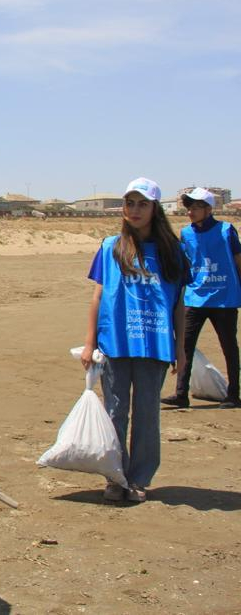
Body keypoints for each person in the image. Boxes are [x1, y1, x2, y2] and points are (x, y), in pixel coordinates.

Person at [81, 177, 188, 504]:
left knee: (147, 413)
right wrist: (89, 342)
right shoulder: (110, 247)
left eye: (143, 204)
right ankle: (115, 476)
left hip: (155, 345)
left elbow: (179, 304)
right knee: (115, 411)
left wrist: (181, 349)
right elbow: (98, 297)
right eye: (130, 203)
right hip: (115, 342)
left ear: (155, 208)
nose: (135, 210)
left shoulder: (172, 251)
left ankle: (139, 478)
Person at [160, 187, 241, 409]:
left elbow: (238, 261)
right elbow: (183, 264)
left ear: (208, 209)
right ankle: (181, 394)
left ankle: (233, 395)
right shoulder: (186, 234)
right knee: (185, 346)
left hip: (224, 298)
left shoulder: (226, 231)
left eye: (196, 207)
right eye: (189, 207)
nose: (191, 212)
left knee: (229, 347)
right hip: (195, 298)